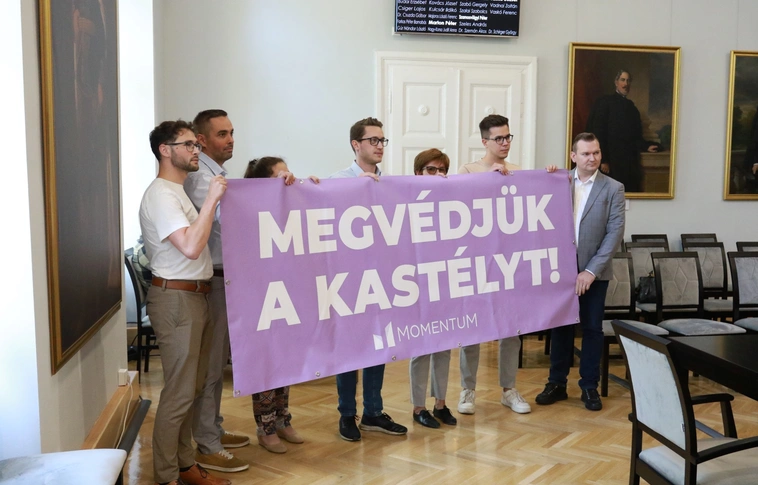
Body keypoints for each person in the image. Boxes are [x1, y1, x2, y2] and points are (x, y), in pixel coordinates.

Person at [139, 120, 230, 485]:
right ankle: (166, 477)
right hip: (176, 298)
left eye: (196, 144)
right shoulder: (162, 195)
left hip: (194, 295)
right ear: (165, 150)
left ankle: (185, 464)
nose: (196, 150)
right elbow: (191, 246)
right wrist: (211, 200)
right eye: (189, 145)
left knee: (190, 389)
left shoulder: (175, 191)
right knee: (178, 394)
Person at [328, 117, 408, 441]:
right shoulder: (337, 182)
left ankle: (373, 412)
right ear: (355, 144)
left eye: (382, 140)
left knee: (379, 344)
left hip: (384, 278)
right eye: (373, 140)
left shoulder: (390, 185)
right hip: (349, 280)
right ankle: (347, 413)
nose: (379, 146)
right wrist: (354, 191)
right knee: (349, 348)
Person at [535, 132, 625, 412]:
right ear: (574, 156)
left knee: (592, 329)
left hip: (595, 272)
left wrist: (590, 271)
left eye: (596, 152)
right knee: (560, 326)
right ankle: (556, 383)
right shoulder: (558, 182)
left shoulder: (613, 188)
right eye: (586, 153)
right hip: (560, 270)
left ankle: (589, 386)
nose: (592, 158)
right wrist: (547, 176)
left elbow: (614, 234)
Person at [183, 110, 249, 474]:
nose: (231, 139)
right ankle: (207, 443)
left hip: (226, 277)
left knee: (217, 359)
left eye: (232, 132)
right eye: (222, 134)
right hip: (213, 279)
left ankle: (214, 428)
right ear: (202, 140)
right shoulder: (201, 179)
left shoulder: (215, 174)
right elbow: (229, 217)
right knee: (210, 365)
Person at [455, 114, 535, 416]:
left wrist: (552, 177)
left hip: (508, 261)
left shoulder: (518, 172)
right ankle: (468, 389)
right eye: (499, 138)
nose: (505, 143)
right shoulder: (468, 170)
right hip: (476, 261)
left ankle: (508, 389)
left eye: (508, 137)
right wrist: (489, 179)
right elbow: (460, 208)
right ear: (484, 141)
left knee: (511, 328)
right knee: (472, 329)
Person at [242, 156, 317, 452]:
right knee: (265, 363)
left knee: (285, 361)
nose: (288, 177)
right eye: (280, 174)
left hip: (286, 294)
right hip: (259, 296)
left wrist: (312, 188)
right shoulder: (249, 209)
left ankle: (283, 419)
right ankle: (266, 427)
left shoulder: (289, 206)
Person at [408, 149, 457, 429]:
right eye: (431, 169)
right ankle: (418, 407)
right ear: (418, 173)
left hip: (446, 280)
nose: (437, 175)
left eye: (442, 170)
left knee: (444, 344)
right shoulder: (404, 199)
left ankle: (440, 403)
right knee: (421, 347)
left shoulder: (451, 201)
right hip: (416, 284)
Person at [586, 69, 660, 193]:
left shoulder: (631, 108)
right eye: (622, 80)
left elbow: (635, 136)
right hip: (611, 162)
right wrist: (603, 160)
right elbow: (599, 133)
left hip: (628, 162)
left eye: (628, 81)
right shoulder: (605, 103)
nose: (626, 84)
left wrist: (646, 146)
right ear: (616, 82)